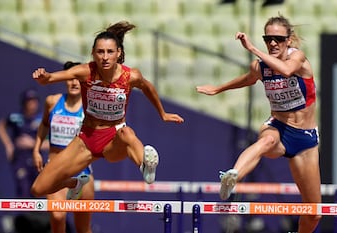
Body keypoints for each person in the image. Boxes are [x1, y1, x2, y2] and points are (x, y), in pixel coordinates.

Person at [30, 21, 184, 200]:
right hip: (86, 139)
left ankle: (146, 165)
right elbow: (53, 77)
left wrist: (162, 113)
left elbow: (148, 87)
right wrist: (44, 77)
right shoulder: (85, 71)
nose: (105, 57)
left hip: (113, 138)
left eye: (110, 52)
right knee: (38, 189)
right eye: (100, 52)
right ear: (93, 53)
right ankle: (75, 183)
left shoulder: (130, 76)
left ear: (118, 53)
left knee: (127, 133)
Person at [196, 15, 321, 233]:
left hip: (305, 139)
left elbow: (287, 70)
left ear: (289, 40)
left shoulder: (298, 58)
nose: (272, 43)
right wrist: (218, 88)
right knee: (267, 140)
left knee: (313, 213)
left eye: (278, 39)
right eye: (267, 38)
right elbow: (247, 79)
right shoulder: (261, 67)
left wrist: (253, 48)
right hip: (279, 128)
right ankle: (232, 176)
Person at [33, 61, 94, 233]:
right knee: (58, 218)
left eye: (77, 79)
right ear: (65, 80)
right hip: (55, 167)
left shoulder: (90, 107)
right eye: (70, 78)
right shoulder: (52, 102)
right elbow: (44, 124)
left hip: (82, 171)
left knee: (83, 227)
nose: (74, 82)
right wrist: (36, 149)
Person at [0, 88, 48, 198]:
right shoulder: (15, 117)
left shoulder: (42, 120)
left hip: (36, 159)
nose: (32, 104)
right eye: (29, 101)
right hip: (20, 159)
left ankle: (36, 215)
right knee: (23, 189)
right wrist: (8, 145)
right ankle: (24, 215)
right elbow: (1, 125)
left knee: (37, 190)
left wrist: (32, 143)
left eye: (34, 101)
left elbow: (50, 143)